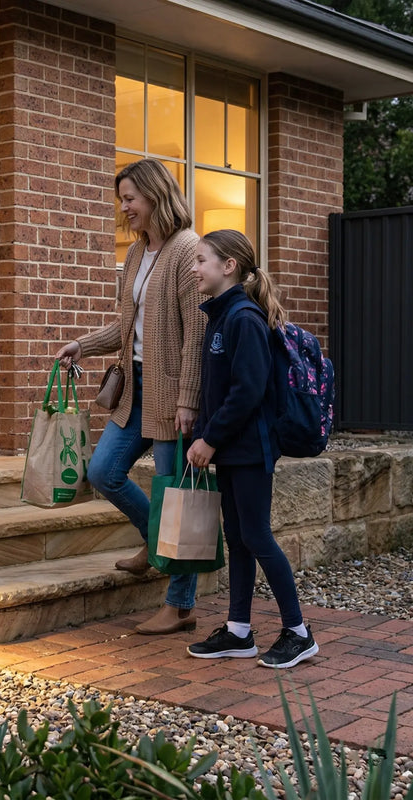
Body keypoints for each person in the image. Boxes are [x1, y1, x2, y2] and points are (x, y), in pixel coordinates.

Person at [56, 158, 205, 636]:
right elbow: (127, 324)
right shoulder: (139, 252)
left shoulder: (186, 250)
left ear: (155, 195)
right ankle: (151, 537)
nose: (124, 208)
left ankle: (179, 605)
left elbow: (197, 334)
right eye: (122, 200)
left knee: (174, 497)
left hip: (171, 394)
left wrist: (188, 400)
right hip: (135, 386)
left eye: (130, 199)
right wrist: (85, 344)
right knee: (103, 472)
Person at [186, 229, 319, 668]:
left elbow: (247, 392)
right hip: (231, 450)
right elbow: (218, 390)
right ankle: (239, 631)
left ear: (229, 267)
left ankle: (299, 633)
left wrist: (210, 437)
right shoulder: (221, 317)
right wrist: (203, 436)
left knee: (257, 536)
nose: (195, 267)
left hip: (250, 449)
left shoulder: (243, 318)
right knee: (238, 540)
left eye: (202, 260)